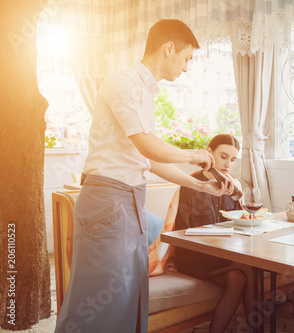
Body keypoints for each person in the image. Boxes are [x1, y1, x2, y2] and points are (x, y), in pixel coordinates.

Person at [55, 19, 233, 333]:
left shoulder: (146, 92)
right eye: (187, 58)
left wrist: (201, 184)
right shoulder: (122, 82)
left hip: (129, 201)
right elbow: (146, 143)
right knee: (98, 302)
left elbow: (146, 157)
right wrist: (194, 155)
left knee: (126, 299)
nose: (187, 67)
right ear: (169, 49)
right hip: (107, 200)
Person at [173, 133, 254, 333]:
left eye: (233, 159)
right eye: (223, 156)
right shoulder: (190, 184)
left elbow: (241, 222)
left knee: (238, 278)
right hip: (193, 255)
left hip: (223, 254)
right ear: (209, 153)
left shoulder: (232, 187)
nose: (228, 164)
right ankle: (257, 328)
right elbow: (181, 233)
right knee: (249, 266)